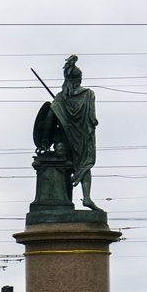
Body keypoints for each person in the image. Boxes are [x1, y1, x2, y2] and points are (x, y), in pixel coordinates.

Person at [49, 55, 99, 209]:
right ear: (79, 79)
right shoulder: (89, 94)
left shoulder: (60, 98)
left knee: (66, 165)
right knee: (86, 165)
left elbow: (51, 119)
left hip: (65, 140)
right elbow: (92, 119)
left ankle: (64, 198)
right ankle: (87, 197)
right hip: (84, 138)